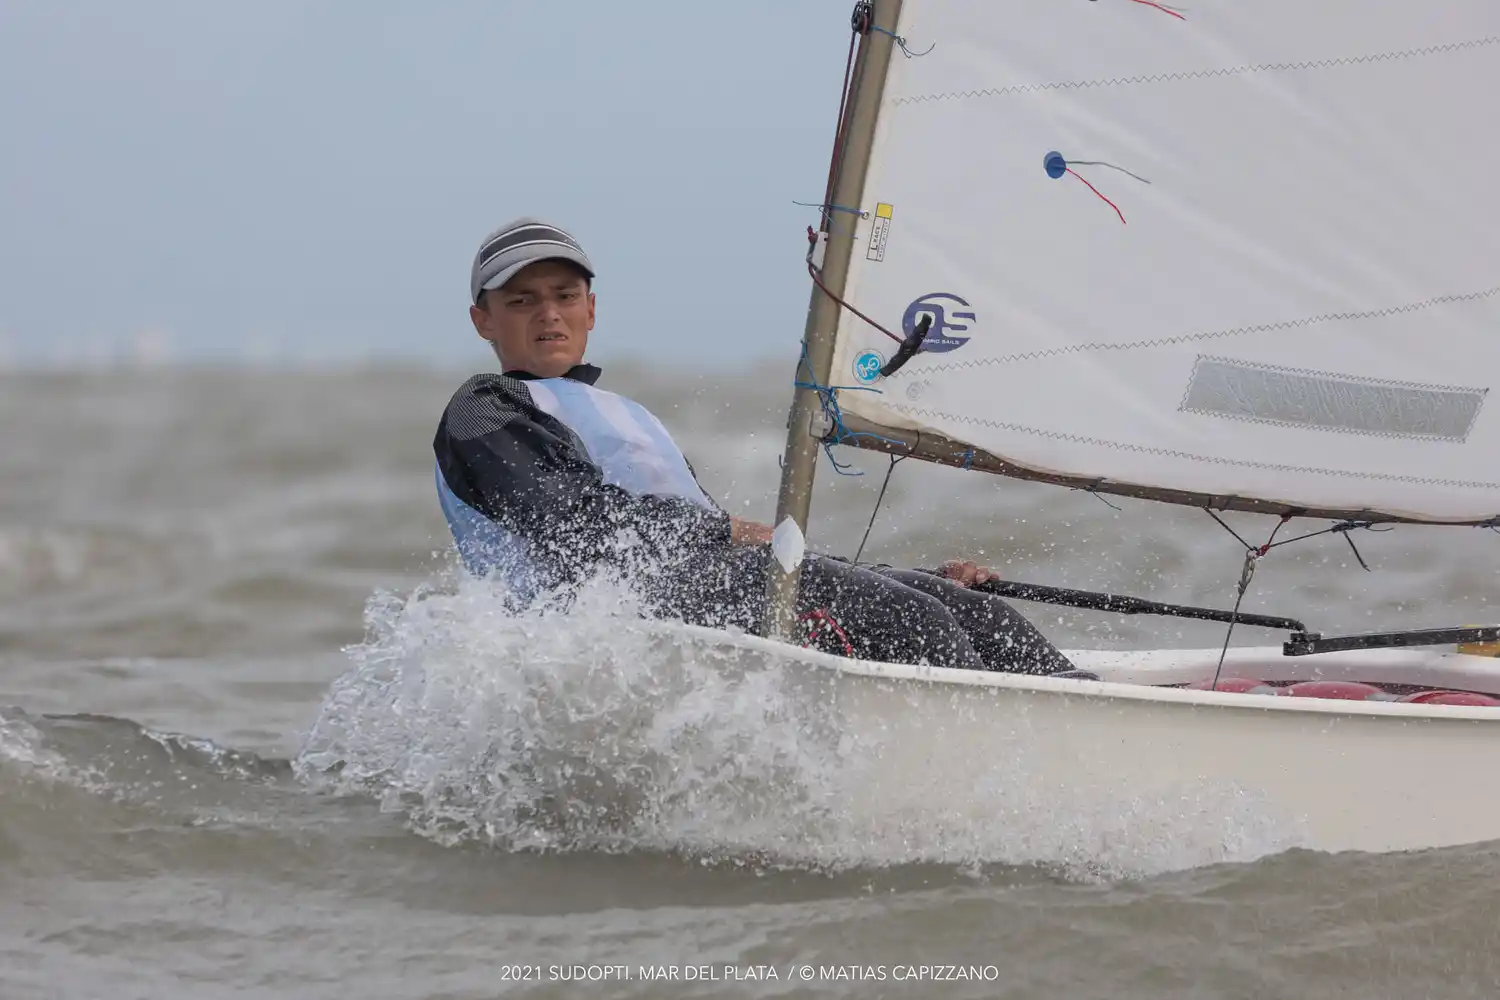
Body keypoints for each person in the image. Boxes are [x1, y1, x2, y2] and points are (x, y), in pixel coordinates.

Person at [432, 216, 1077, 675]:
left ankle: (1090, 725)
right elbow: (576, 526)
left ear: (591, 310)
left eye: (564, 297)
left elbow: (724, 547)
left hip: (686, 600)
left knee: (967, 609)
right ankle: (989, 762)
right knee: (916, 618)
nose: (548, 314)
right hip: (603, 637)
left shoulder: (626, 415)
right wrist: (724, 532)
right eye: (522, 301)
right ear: (483, 320)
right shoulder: (484, 408)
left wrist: (911, 577)